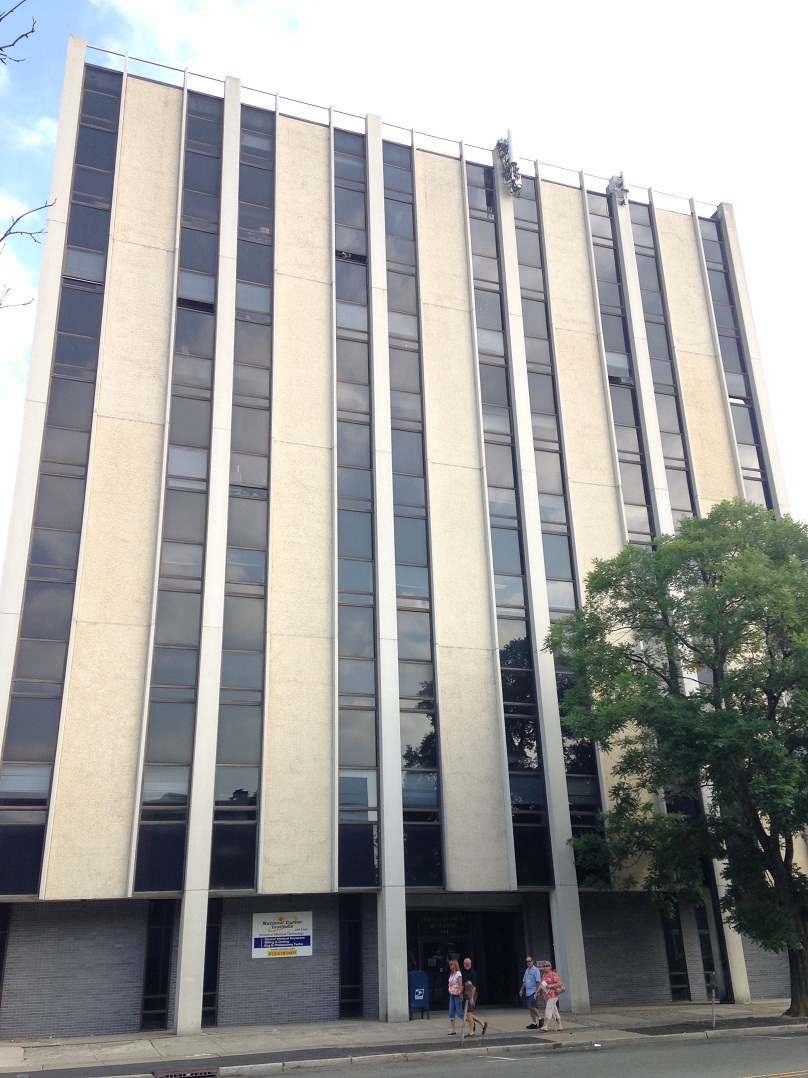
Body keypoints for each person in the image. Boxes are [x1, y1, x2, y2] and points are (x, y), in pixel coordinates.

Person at [462, 957, 488, 1037]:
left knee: (469, 1013)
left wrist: (472, 997)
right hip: (466, 994)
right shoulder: (464, 973)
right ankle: (482, 1023)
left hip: (471, 994)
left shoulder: (473, 973)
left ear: (467, 964)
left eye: (464, 963)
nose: (463, 965)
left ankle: (471, 1031)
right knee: (467, 1013)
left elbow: (474, 986)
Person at [538, 960, 565, 1031]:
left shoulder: (553, 974)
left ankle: (545, 1026)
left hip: (554, 995)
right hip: (546, 995)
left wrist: (551, 985)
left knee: (548, 1009)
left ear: (550, 967)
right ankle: (560, 1025)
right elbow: (542, 985)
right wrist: (537, 992)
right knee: (554, 1011)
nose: (545, 967)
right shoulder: (544, 975)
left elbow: (559, 983)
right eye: (544, 966)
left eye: (547, 966)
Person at [518, 954, 543, 1029]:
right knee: (530, 1008)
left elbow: (538, 981)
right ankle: (534, 1023)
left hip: (533, 991)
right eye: (527, 961)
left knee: (531, 1006)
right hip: (528, 992)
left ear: (532, 961)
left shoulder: (536, 970)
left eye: (530, 961)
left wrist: (537, 991)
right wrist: (521, 990)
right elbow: (524, 981)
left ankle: (540, 1018)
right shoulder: (527, 970)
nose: (528, 962)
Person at [446, 958, 464, 1035]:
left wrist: (460, 994)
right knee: (451, 1011)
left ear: (455, 965)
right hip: (452, 994)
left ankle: (471, 1022)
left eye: (451, 965)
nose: (450, 966)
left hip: (457, 994)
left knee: (460, 1013)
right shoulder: (451, 974)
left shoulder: (458, 974)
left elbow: (460, 985)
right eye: (449, 965)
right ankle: (453, 1030)